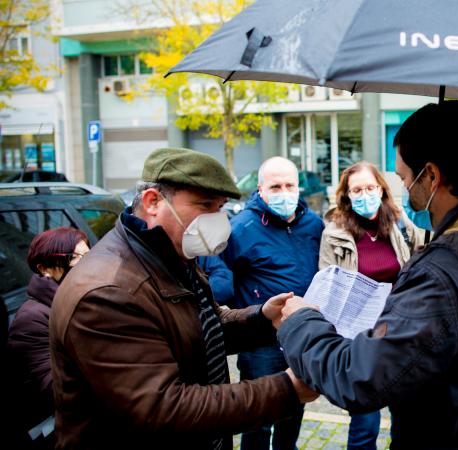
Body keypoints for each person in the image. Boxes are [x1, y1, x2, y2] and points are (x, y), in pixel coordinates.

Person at [274, 101, 458, 448]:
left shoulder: (443, 272)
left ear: (431, 176)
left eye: (403, 176)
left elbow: (360, 378)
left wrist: (301, 321)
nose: (402, 186)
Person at [49, 148, 318, 450]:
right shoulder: (108, 294)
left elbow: (200, 326)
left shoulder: (170, 255)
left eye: (220, 207)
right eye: (205, 206)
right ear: (153, 202)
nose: (218, 220)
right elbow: (163, 407)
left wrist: (263, 318)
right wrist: (286, 389)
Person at [221, 156, 324, 450]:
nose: (284, 192)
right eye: (275, 186)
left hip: (301, 334)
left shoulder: (313, 225)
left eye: (289, 185)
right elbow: (222, 277)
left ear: (298, 187)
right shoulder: (241, 227)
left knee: (294, 406)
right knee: (258, 413)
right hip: (261, 340)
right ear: (261, 189)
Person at [319, 161, 415, 449]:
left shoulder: (399, 224)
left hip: (399, 334)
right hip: (360, 340)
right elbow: (328, 288)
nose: (365, 194)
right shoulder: (334, 233)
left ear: (382, 190)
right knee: (365, 424)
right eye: (357, 189)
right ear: (346, 195)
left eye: (370, 187)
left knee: (406, 418)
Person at [7, 227, 89, 449]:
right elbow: (54, 389)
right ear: (43, 268)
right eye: (75, 258)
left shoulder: (86, 299)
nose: (85, 265)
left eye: (89, 256)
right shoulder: (32, 320)